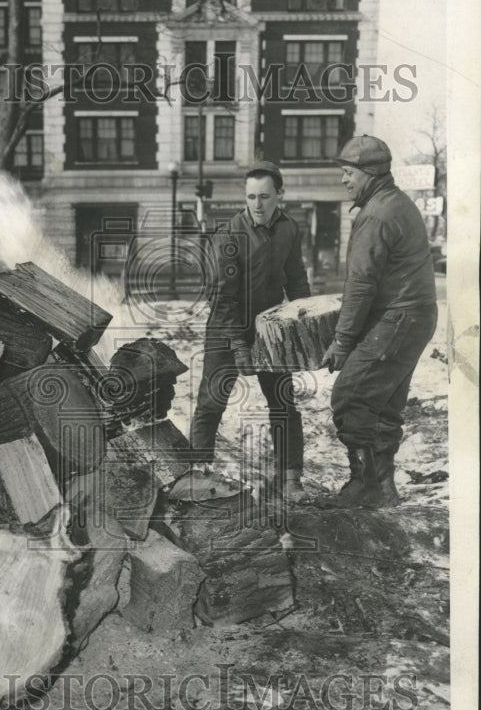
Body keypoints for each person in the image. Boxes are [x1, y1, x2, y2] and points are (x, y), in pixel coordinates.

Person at [319, 135, 438, 507]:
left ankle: (364, 485)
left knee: (350, 397)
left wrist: (342, 342)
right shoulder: (397, 202)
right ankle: (383, 488)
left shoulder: (375, 214)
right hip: (415, 317)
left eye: (348, 172)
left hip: (397, 318)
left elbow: (360, 286)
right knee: (384, 404)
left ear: (368, 173)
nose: (343, 180)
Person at [185, 160, 311, 502]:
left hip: (269, 329)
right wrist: (239, 345)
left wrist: (304, 322)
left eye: (265, 197)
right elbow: (223, 297)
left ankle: (291, 481)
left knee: (283, 404)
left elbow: (297, 277)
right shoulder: (228, 235)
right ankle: (198, 477)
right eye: (251, 196)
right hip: (226, 328)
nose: (257, 204)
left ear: (279, 196)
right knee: (211, 404)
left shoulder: (289, 229)